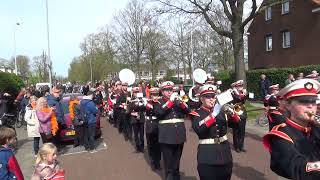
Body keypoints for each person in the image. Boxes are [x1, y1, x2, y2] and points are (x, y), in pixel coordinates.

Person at [263, 78, 320, 179]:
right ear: (288, 105)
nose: (311, 106)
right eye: (304, 101)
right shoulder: (281, 134)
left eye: (314, 101)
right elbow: (297, 167)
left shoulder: (315, 128)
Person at [189, 84, 240, 180]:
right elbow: (199, 129)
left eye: (213, 96)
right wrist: (213, 114)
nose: (211, 99)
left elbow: (237, 125)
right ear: (201, 99)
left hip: (225, 155)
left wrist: (232, 113)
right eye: (207, 97)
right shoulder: (196, 114)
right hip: (207, 156)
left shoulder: (222, 112)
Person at [154, 81, 190, 180]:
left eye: (170, 90)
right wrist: (170, 101)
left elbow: (188, 111)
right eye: (166, 90)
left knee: (177, 162)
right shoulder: (158, 102)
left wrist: (182, 103)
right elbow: (159, 113)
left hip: (179, 135)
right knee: (168, 163)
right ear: (162, 91)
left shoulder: (178, 101)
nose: (169, 92)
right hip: (166, 136)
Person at [145, 87, 161, 170]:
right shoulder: (148, 102)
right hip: (150, 125)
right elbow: (148, 108)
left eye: (156, 95)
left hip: (157, 125)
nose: (155, 96)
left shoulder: (159, 103)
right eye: (153, 95)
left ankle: (158, 161)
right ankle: (152, 161)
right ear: (150, 95)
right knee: (150, 144)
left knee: (158, 145)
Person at [230, 80, 248, 153]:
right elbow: (237, 99)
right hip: (235, 111)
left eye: (242, 86)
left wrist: (246, 94)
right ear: (236, 87)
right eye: (239, 86)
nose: (241, 87)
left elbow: (243, 100)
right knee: (236, 130)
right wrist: (242, 95)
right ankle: (236, 146)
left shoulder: (243, 93)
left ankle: (241, 146)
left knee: (242, 130)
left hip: (242, 111)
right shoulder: (233, 93)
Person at [128, 87, 145, 153]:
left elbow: (144, 108)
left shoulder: (142, 100)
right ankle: (137, 147)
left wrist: (141, 102)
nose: (136, 93)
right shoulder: (131, 100)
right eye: (135, 92)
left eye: (137, 92)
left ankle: (142, 147)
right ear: (133, 93)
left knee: (141, 134)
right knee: (135, 134)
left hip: (141, 118)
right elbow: (129, 109)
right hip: (134, 119)